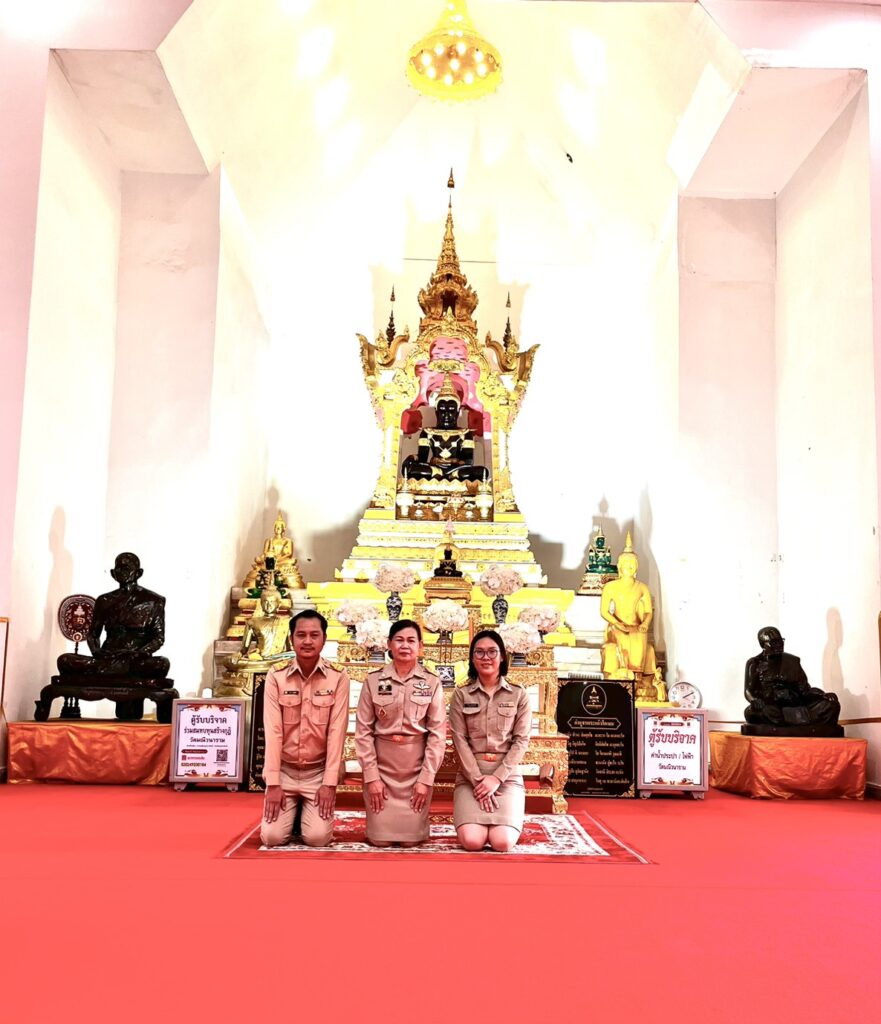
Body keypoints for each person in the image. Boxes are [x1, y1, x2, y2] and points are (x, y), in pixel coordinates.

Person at [261, 610, 350, 847]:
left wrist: (329, 783)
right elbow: (273, 731)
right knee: (271, 838)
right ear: (291, 638)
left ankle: (303, 812)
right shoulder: (276, 676)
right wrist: (273, 783)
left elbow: (337, 731)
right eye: (301, 635)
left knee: (318, 838)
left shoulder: (338, 676)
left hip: (317, 773)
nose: (308, 641)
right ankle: (294, 812)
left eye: (314, 635)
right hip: (285, 770)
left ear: (324, 638)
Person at [354, 619, 446, 846]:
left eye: (411, 641)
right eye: (399, 640)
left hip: (415, 769)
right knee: (380, 841)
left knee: (410, 842)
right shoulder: (373, 681)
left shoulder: (432, 682)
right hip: (382, 768)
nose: (405, 645)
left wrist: (426, 779)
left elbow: (437, 734)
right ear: (389, 644)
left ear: (420, 646)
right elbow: (363, 732)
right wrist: (372, 777)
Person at [449, 629, 531, 852]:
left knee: (502, 842)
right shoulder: (461, 694)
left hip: (506, 776)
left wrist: (495, 779)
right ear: (472, 658)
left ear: (502, 656)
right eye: (480, 652)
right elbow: (459, 740)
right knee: (472, 841)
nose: (486, 658)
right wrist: (478, 781)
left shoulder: (518, 694)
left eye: (492, 652)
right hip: (471, 777)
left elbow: (521, 741)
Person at [56, 552, 169, 679]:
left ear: (138, 573)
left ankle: (114, 670)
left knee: (162, 664)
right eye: (119, 568)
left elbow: (158, 638)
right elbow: (93, 635)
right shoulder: (104, 600)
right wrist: (97, 652)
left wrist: (139, 653)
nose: (122, 572)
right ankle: (115, 670)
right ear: (113, 573)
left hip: (135, 660)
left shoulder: (154, 600)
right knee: (64, 660)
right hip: (108, 658)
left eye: (127, 568)